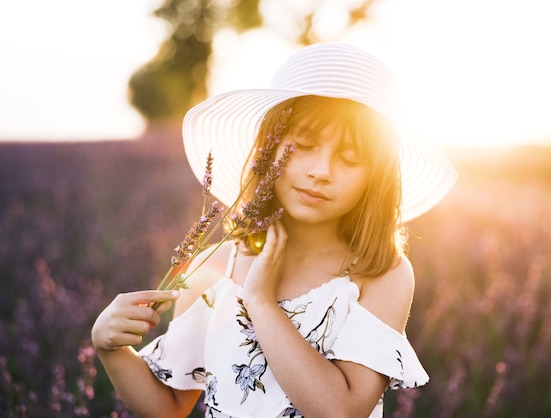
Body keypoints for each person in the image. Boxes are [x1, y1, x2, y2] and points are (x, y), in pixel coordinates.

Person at [91, 42, 457, 418]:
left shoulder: (380, 274)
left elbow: (342, 412)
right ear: (271, 145)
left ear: (375, 177)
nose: (321, 170)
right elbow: (168, 406)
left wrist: (262, 303)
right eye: (302, 145)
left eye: (349, 158)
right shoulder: (214, 269)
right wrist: (110, 348)